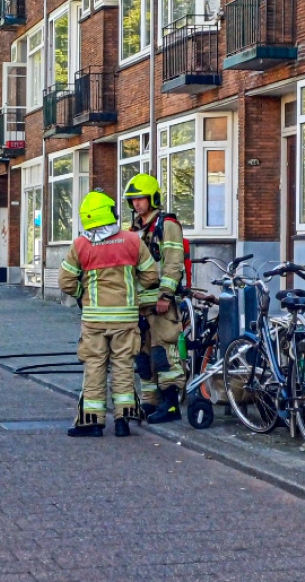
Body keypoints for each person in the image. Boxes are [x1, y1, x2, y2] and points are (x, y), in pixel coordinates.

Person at [59, 191, 158, 437]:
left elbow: (65, 281)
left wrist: (84, 292)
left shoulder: (80, 245)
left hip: (94, 319)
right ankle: (124, 422)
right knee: (123, 366)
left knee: (94, 366)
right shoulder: (132, 240)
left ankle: (92, 423)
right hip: (125, 318)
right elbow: (151, 276)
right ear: (110, 213)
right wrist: (132, 291)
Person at [124, 174, 187, 424]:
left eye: (140, 198)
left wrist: (165, 295)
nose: (136, 204)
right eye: (133, 200)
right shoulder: (134, 229)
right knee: (143, 355)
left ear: (152, 198)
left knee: (164, 352)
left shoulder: (166, 225)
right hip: (140, 304)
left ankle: (171, 405)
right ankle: (151, 403)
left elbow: (173, 263)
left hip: (161, 305)